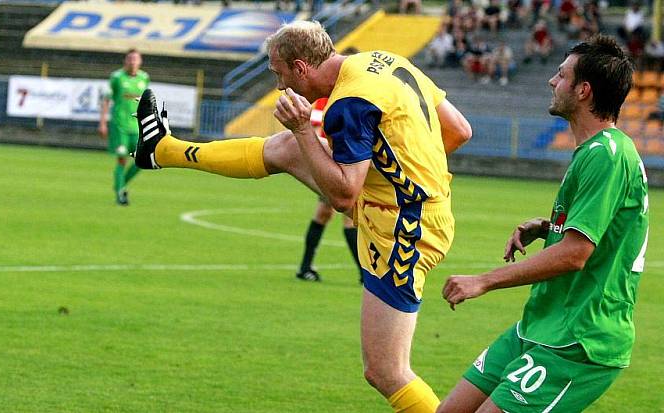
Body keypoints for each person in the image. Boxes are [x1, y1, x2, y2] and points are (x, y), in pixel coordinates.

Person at [132, 21, 471, 413]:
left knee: (385, 370)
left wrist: (304, 131)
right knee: (286, 149)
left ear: (300, 67)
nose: (279, 87)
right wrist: (406, 176)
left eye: (279, 75)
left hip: (402, 232)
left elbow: (343, 196)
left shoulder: (348, 104)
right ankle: (163, 150)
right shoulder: (386, 62)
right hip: (414, 210)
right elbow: (459, 131)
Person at [438, 34, 648, 413]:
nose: (552, 81)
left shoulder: (608, 156)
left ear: (583, 91)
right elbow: (594, 230)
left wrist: (483, 280)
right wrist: (548, 227)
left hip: (579, 339)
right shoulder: (593, 152)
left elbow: (575, 255)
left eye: (561, 75)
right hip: (540, 325)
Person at [296, 96, 361, 283]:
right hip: (334, 167)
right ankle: (365, 274)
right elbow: (315, 130)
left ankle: (305, 267)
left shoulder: (350, 96)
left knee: (325, 213)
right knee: (350, 218)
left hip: (343, 166)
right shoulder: (326, 99)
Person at [98, 48, 150, 206]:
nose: (133, 62)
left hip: (137, 126)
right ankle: (120, 194)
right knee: (122, 159)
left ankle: (119, 184)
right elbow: (107, 99)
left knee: (143, 160)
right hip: (119, 126)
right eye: (130, 59)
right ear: (125, 61)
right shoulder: (117, 77)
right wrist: (102, 122)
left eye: (136, 59)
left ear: (140, 61)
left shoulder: (144, 78)